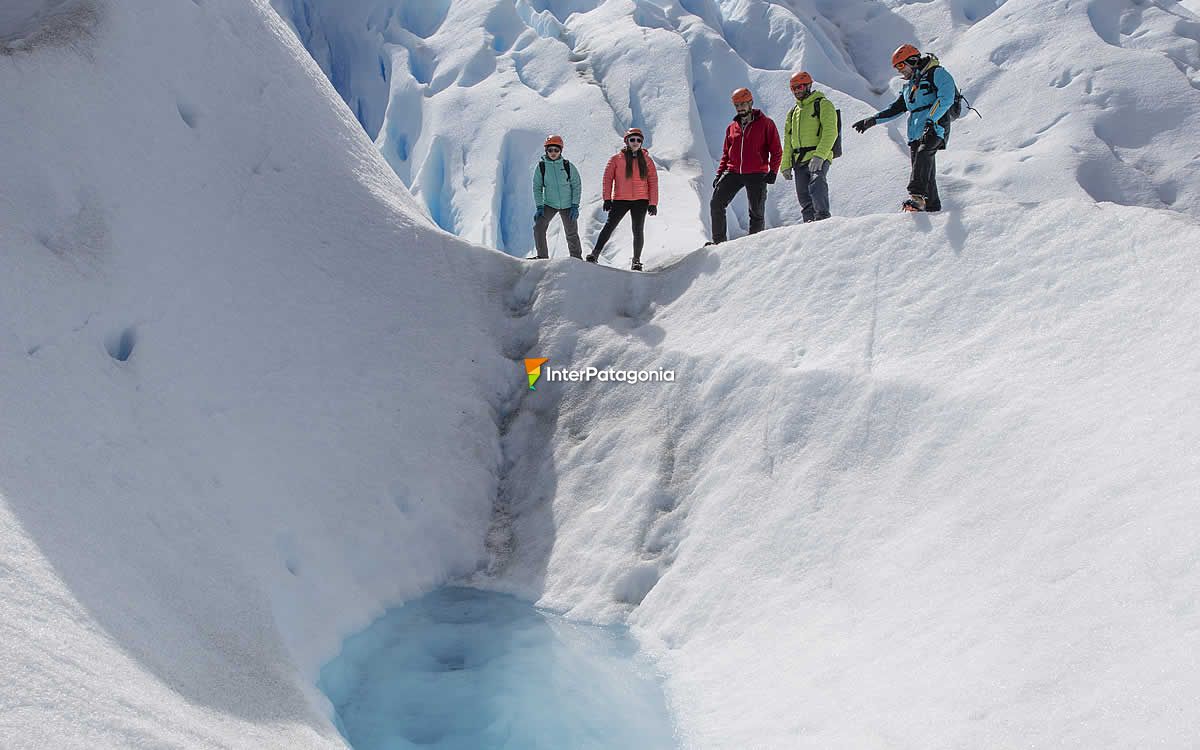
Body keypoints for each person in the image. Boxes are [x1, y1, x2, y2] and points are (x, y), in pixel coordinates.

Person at [851, 44, 957, 212]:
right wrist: (872, 120)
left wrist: (931, 120)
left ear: (913, 60)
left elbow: (946, 97)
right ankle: (932, 207)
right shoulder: (909, 86)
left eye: (901, 65)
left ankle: (916, 196)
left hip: (935, 126)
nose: (899, 71)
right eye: (897, 67)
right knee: (923, 167)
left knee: (924, 154)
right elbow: (896, 108)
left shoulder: (937, 73)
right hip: (915, 132)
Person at [708, 87, 781, 244]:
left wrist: (773, 171)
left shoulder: (766, 123)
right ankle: (718, 242)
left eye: (743, 104)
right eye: (737, 105)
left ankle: (754, 244)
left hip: (757, 172)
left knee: (756, 212)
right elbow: (726, 153)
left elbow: (776, 150)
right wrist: (720, 173)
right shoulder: (732, 127)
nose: (740, 108)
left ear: (750, 103)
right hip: (733, 171)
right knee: (716, 203)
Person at [587, 128, 659, 271]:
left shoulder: (647, 160)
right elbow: (608, 179)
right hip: (621, 199)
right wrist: (607, 199)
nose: (636, 142)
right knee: (609, 226)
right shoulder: (616, 159)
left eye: (638, 140)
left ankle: (636, 261)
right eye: (632, 140)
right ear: (626, 141)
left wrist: (653, 203)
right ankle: (594, 254)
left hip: (641, 200)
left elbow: (653, 181)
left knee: (638, 230)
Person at [780, 71, 837, 222]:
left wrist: (820, 155)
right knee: (803, 195)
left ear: (808, 86)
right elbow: (788, 141)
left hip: (818, 155)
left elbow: (831, 131)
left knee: (817, 183)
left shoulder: (823, 104)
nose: (797, 90)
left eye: (799, 87)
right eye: (794, 88)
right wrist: (785, 165)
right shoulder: (793, 112)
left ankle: (823, 218)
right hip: (799, 160)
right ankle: (809, 224)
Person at [532, 135, 583, 258]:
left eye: (556, 150)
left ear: (561, 151)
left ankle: (577, 259)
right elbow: (537, 187)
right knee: (538, 227)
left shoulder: (567, 166)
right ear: (546, 151)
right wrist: (539, 207)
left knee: (571, 233)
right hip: (549, 204)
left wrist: (575, 205)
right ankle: (542, 257)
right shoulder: (541, 167)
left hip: (568, 205)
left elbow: (576, 185)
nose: (553, 153)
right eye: (550, 150)